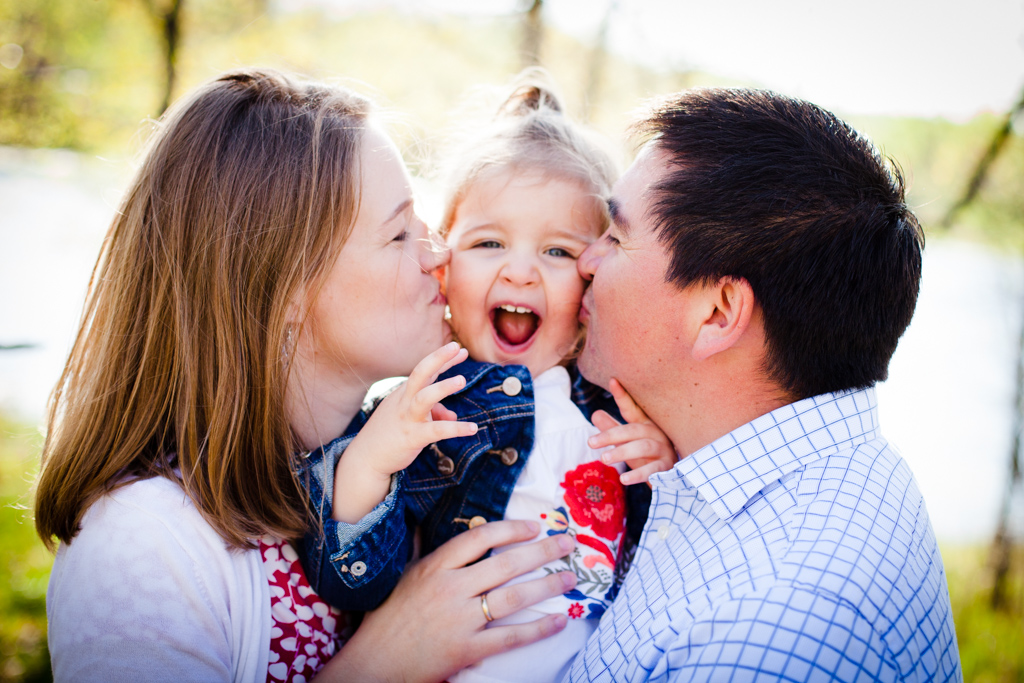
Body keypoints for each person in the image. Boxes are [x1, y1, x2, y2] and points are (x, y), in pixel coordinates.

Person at [34, 68, 582, 683]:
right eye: (400, 233)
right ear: (285, 290)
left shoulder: (403, 464)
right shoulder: (143, 543)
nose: (439, 254)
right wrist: (389, 658)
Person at [567, 88, 963, 681]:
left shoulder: (765, 634)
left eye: (617, 238)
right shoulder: (795, 471)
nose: (584, 262)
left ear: (720, 313)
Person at [298, 73, 676, 683]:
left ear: (592, 280)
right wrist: (369, 463)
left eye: (556, 252)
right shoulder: (429, 407)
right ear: (443, 269)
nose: (521, 271)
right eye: (489, 242)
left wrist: (659, 470)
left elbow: (663, 565)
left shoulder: (616, 404)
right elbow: (351, 582)